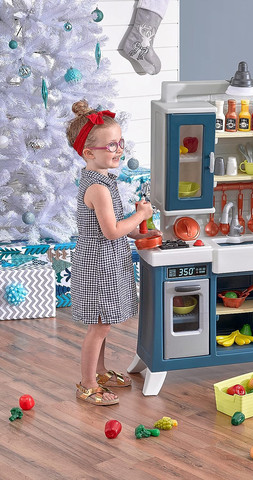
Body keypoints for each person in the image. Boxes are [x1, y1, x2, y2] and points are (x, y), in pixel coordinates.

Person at [66, 100, 160, 405]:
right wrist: (140, 214)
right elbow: (110, 231)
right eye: (111, 145)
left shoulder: (103, 180)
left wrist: (139, 232)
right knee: (100, 325)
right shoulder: (99, 188)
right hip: (98, 265)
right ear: (89, 153)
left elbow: (115, 225)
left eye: (120, 143)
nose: (119, 150)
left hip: (106, 260)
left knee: (102, 321)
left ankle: (100, 371)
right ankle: (87, 384)